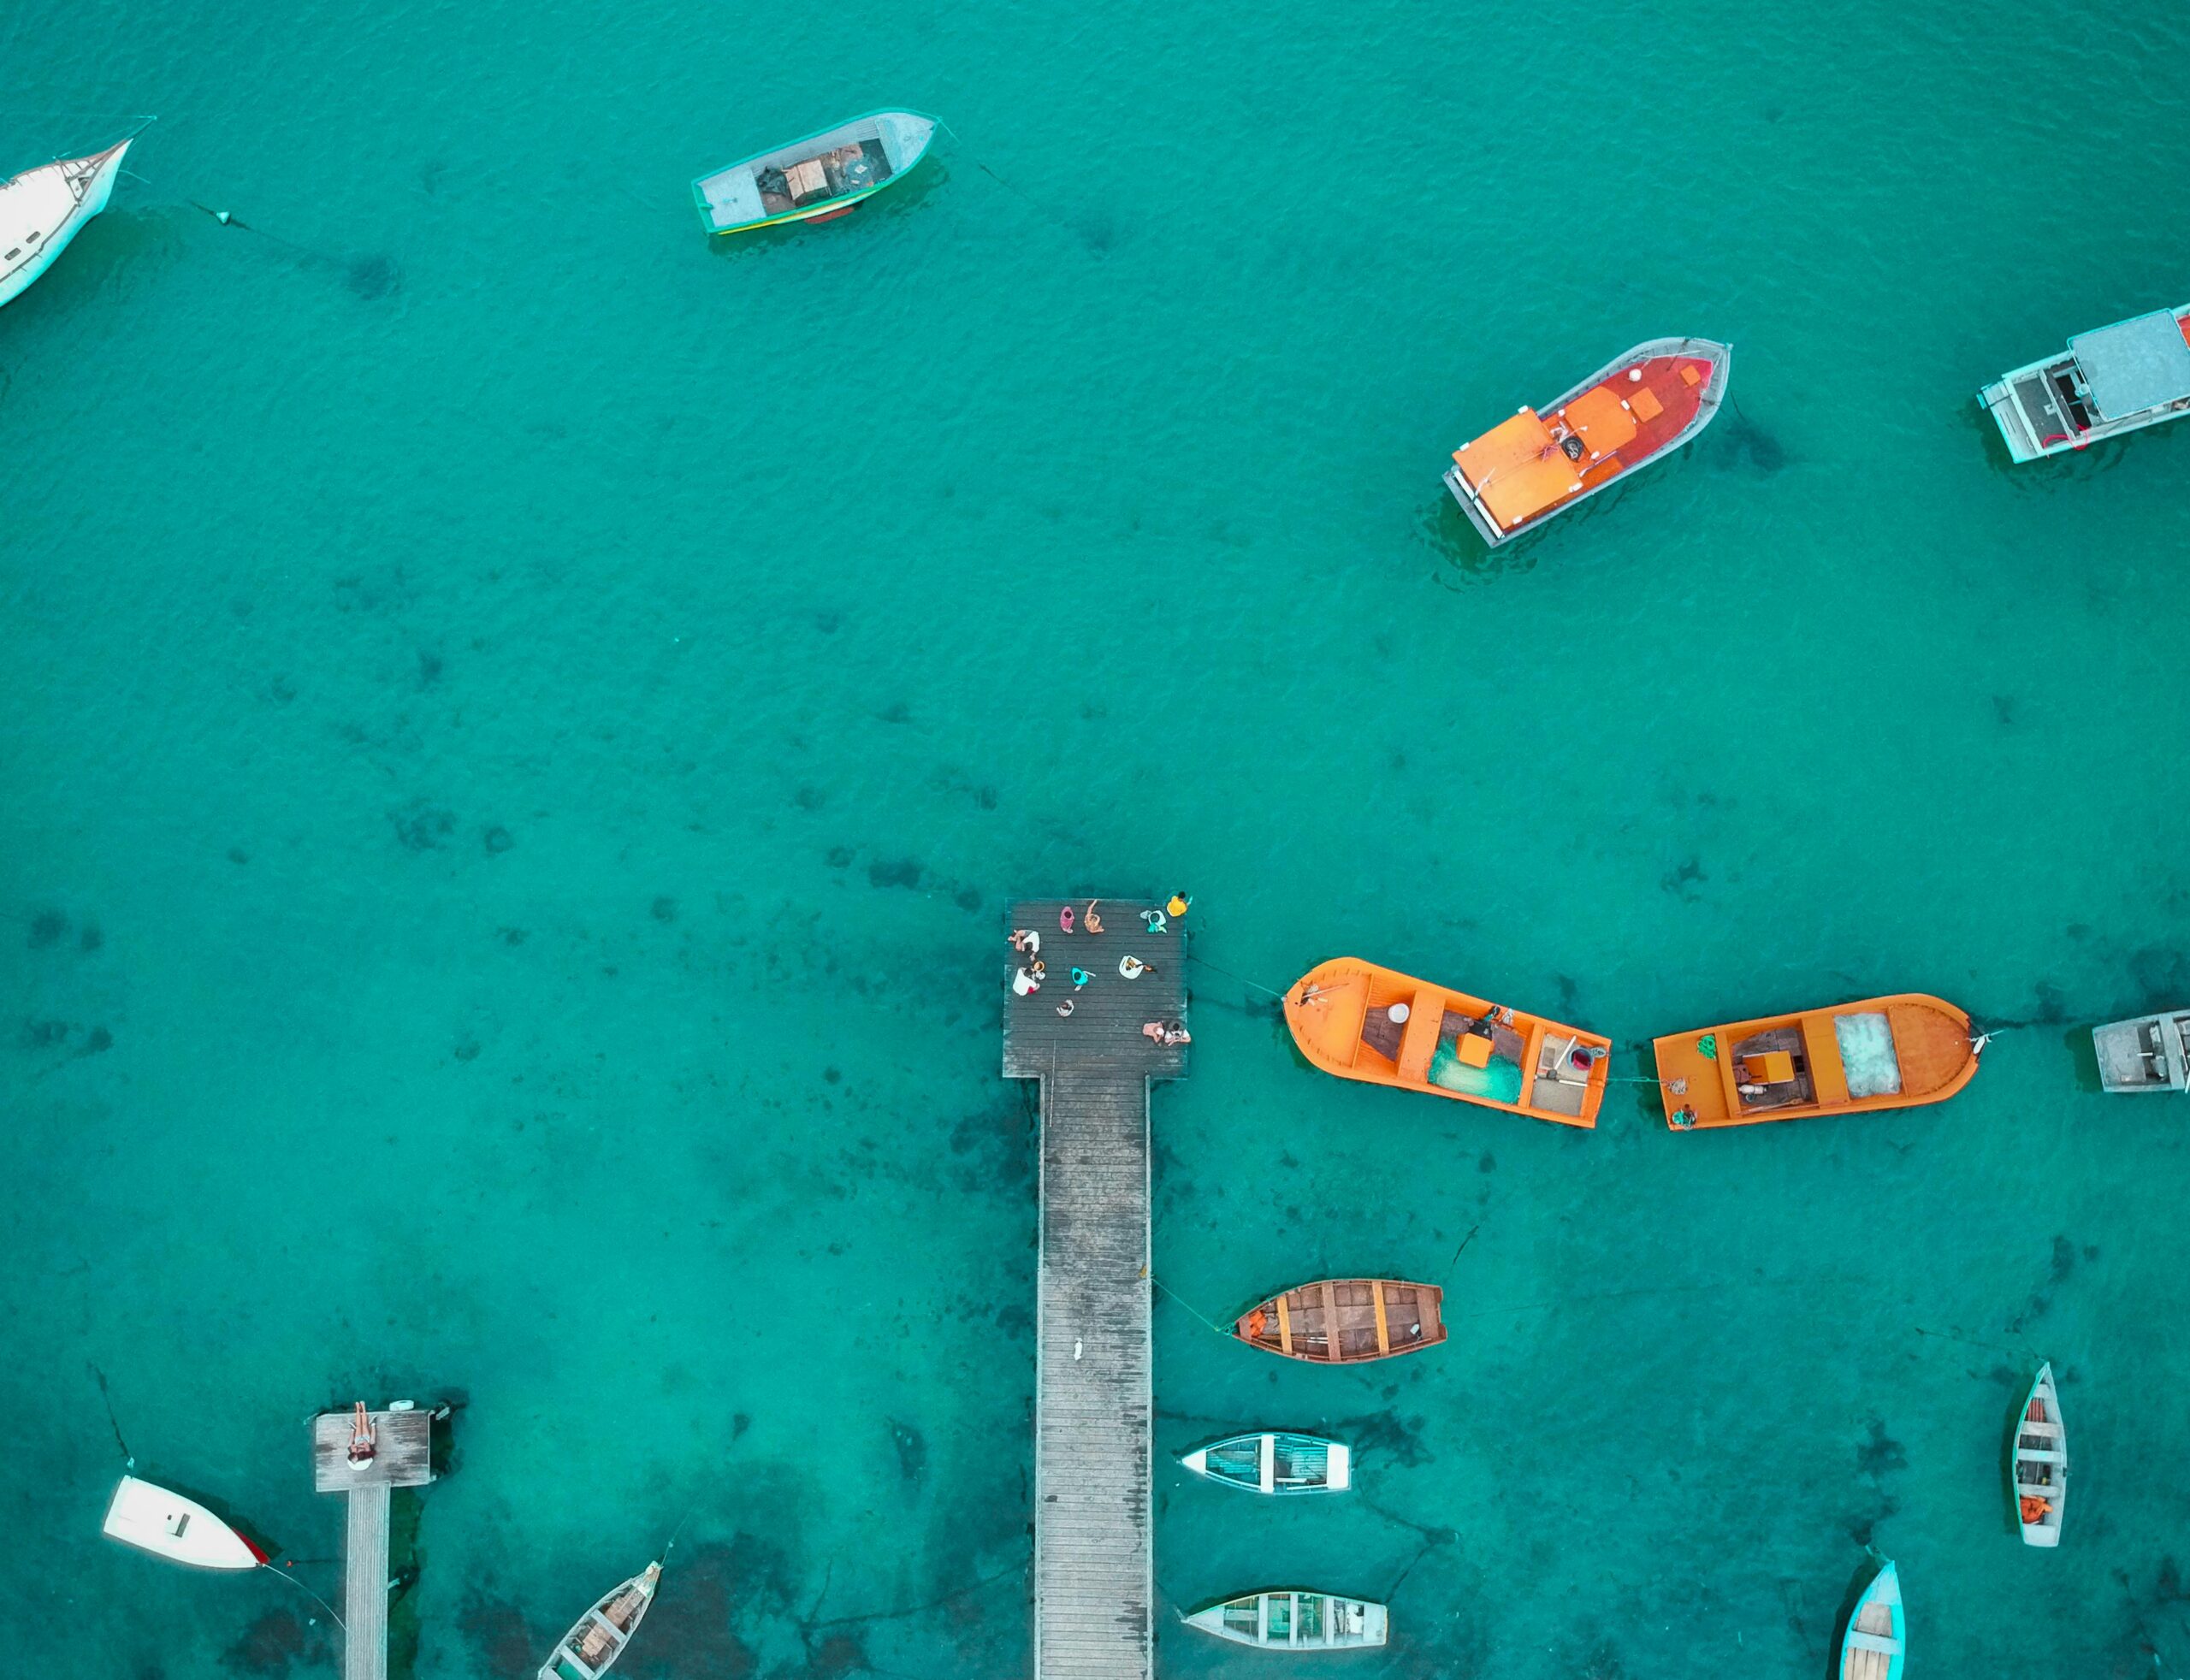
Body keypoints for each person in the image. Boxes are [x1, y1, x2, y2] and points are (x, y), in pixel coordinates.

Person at [346, 1401, 377, 1466]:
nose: (355, 1458)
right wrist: (359, 1446)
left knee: (358, 1426)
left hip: (358, 1440)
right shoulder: (364, 1455)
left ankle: (357, 1408)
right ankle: (363, 1408)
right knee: (364, 1425)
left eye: (353, 1459)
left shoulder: (353, 1452)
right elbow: (366, 1444)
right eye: (355, 1460)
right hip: (366, 1439)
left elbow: (353, 1445)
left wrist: (359, 1446)